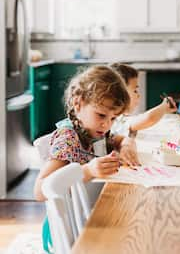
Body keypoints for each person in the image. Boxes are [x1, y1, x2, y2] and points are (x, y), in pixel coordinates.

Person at [34, 66, 138, 253]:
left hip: (89, 215)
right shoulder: (68, 138)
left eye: (113, 118)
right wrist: (87, 171)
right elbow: (40, 190)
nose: (106, 125)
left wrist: (127, 145)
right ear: (78, 103)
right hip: (70, 230)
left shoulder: (94, 131)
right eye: (101, 115)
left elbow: (116, 139)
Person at [110, 63, 177, 136]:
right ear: (120, 93)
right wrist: (163, 107)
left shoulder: (121, 116)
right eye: (135, 91)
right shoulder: (114, 120)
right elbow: (149, 118)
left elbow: (142, 117)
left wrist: (164, 109)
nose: (138, 95)